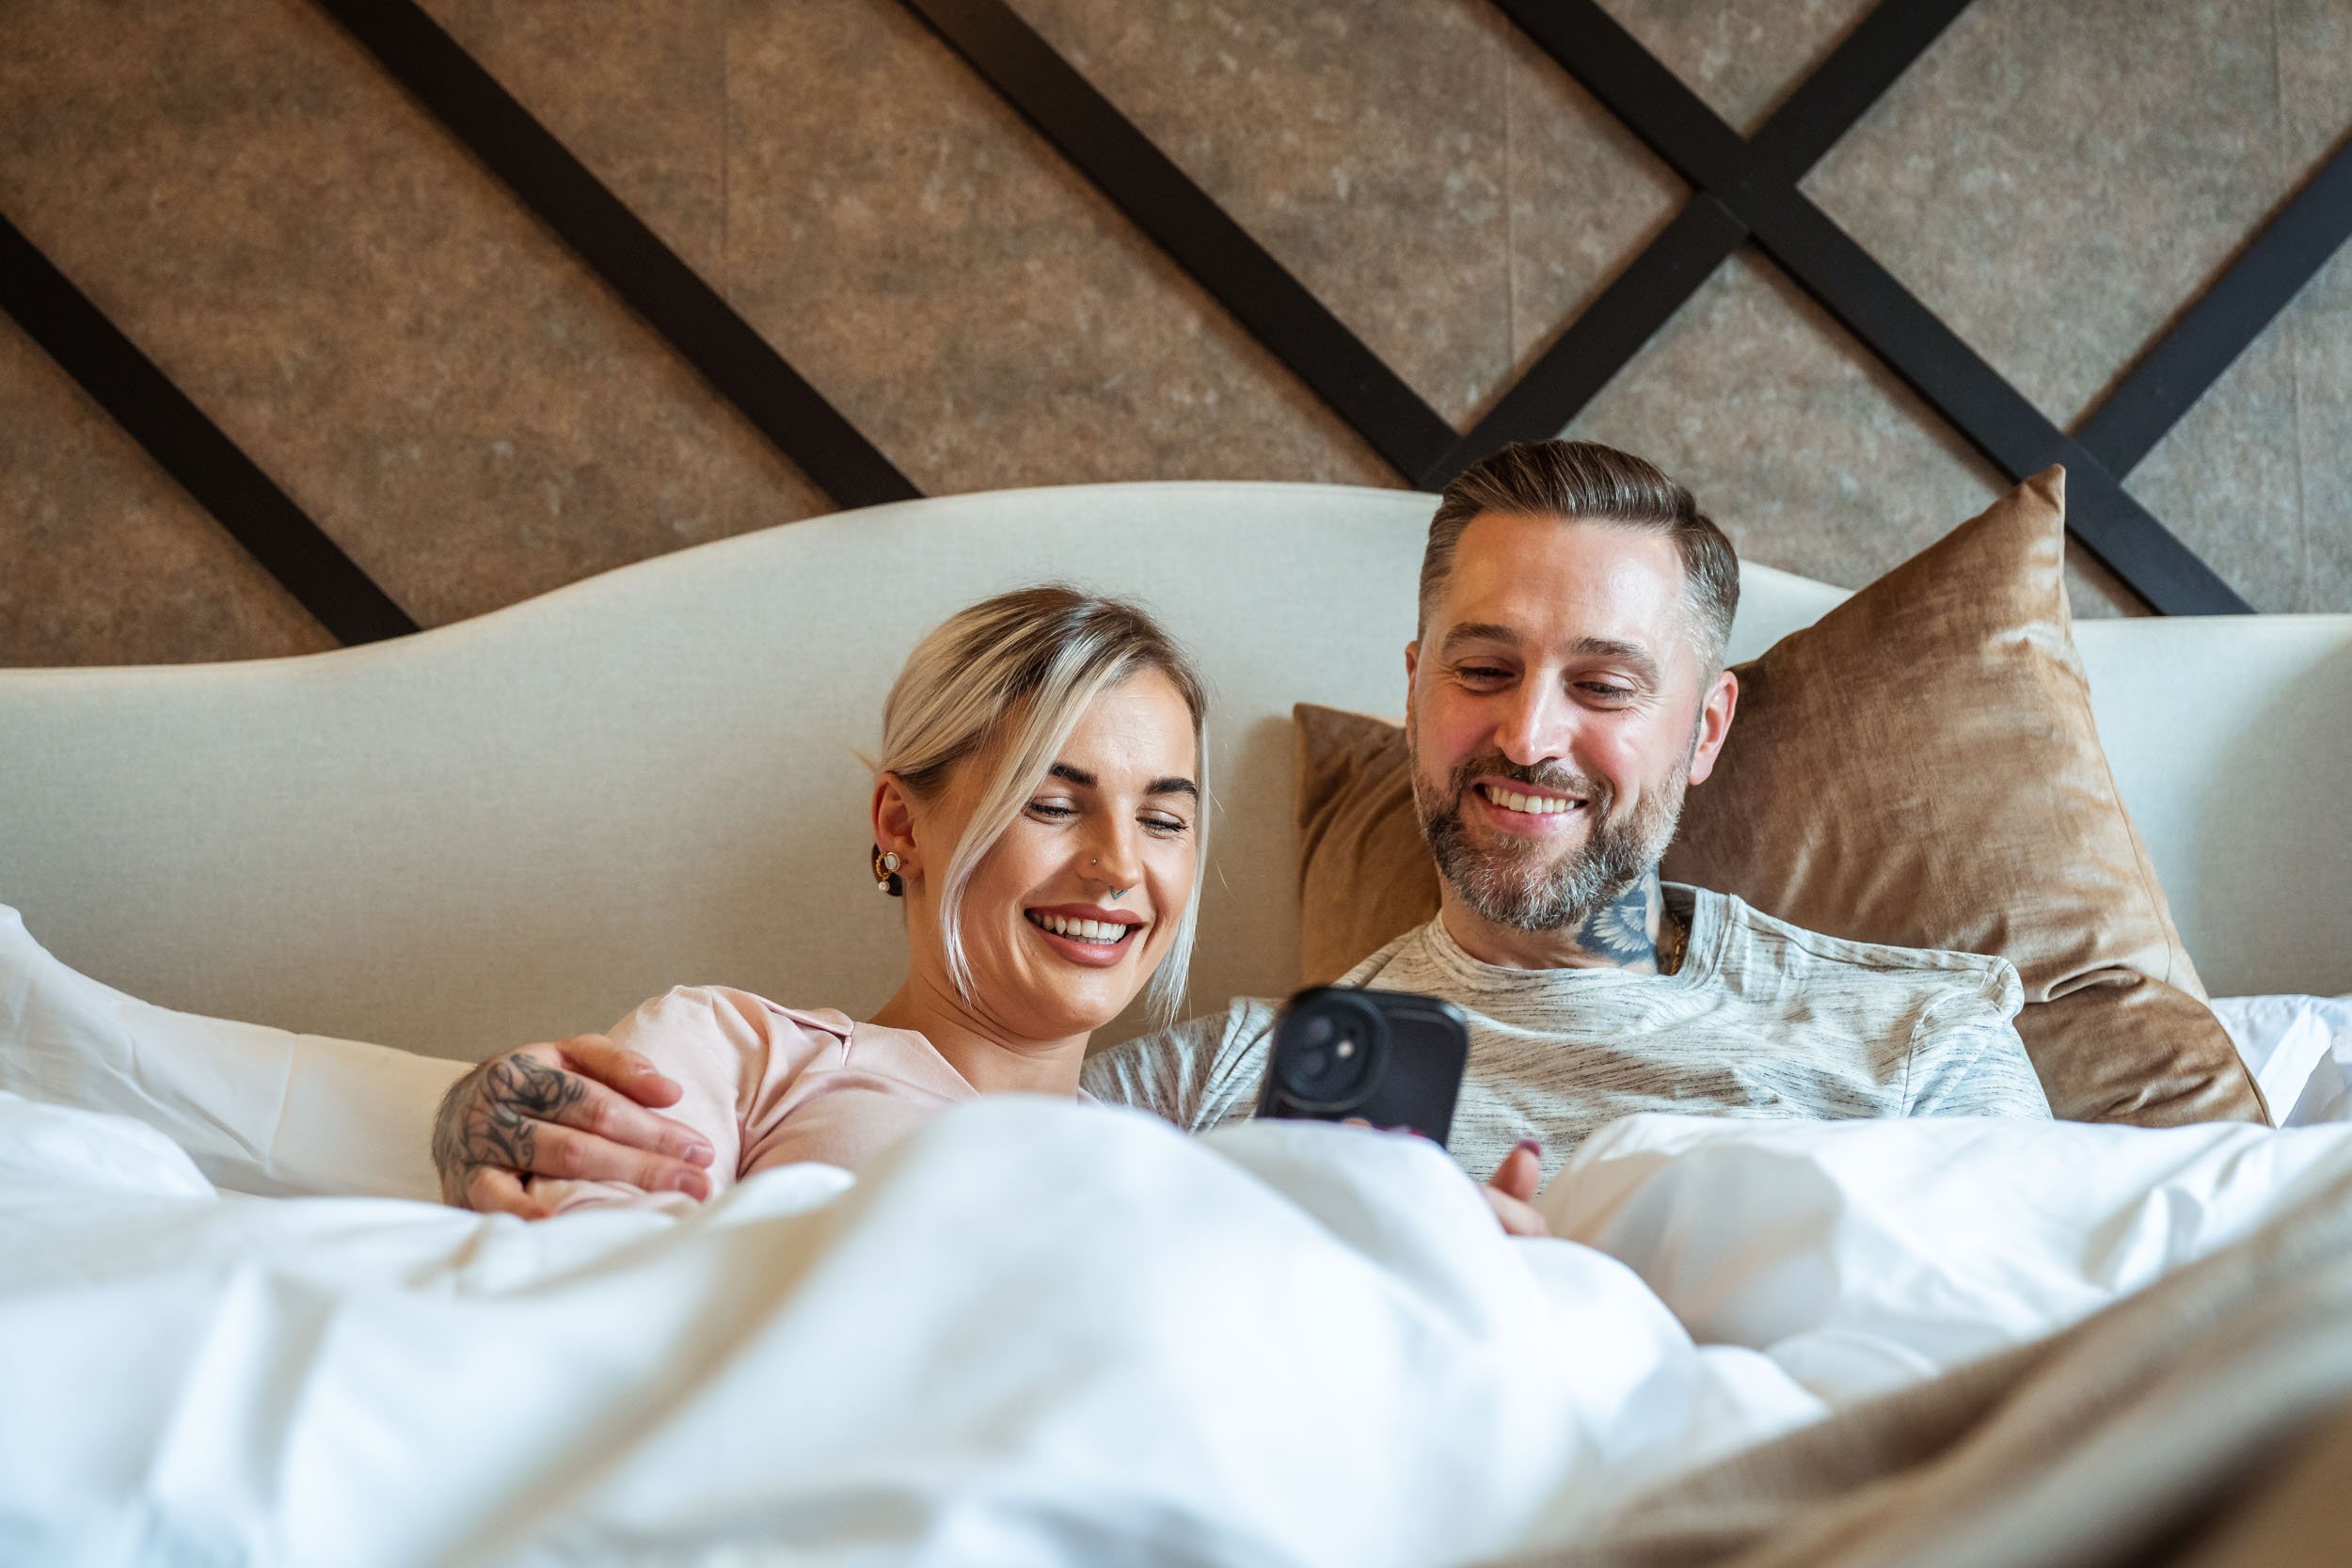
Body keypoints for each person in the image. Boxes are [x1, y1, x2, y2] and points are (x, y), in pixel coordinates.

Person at [432, 440, 2049, 1209]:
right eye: (1483, 669)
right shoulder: (1231, 1077)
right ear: (1416, 694)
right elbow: (957, 1139)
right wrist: (494, 1119)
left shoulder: (1922, 1034)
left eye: (1604, 683)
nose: (1530, 732)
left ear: (1704, 726)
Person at [429, 585, 1550, 1229]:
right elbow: (598, 1255)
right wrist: (487, 1120)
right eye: (1052, 804)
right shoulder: (749, 1051)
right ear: (899, 822)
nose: (1119, 867)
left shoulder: (1198, 1159)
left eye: (1163, 818)